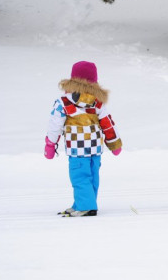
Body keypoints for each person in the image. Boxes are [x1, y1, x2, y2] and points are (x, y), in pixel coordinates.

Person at [45, 61, 122, 217]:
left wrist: (50, 144)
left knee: (80, 176)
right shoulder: (97, 103)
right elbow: (107, 123)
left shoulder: (63, 103)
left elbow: (55, 126)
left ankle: (85, 206)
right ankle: (85, 204)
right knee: (92, 175)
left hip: (77, 148)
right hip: (95, 148)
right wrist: (114, 144)